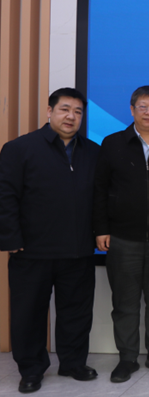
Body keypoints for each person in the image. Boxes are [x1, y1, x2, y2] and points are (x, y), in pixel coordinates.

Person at [0, 88, 100, 394]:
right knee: (28, 314)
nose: (71, 117)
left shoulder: (93, 152)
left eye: (78, 112)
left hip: (78, 250)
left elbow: (101, 199)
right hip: (32, 250)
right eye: (64, 109)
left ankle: (73, 363)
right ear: (49, 111)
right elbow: (6, 196)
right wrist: (10, 237)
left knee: (76, 312)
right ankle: (31, 369)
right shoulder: (19, 149)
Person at [93, 85, 149, 383]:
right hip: (122, 238)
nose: (148, 112)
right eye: (142, 107)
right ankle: (127, 358)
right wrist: (101, 229)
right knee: (125, 303)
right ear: (132, 110)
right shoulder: (112, 144)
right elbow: (99, 190)